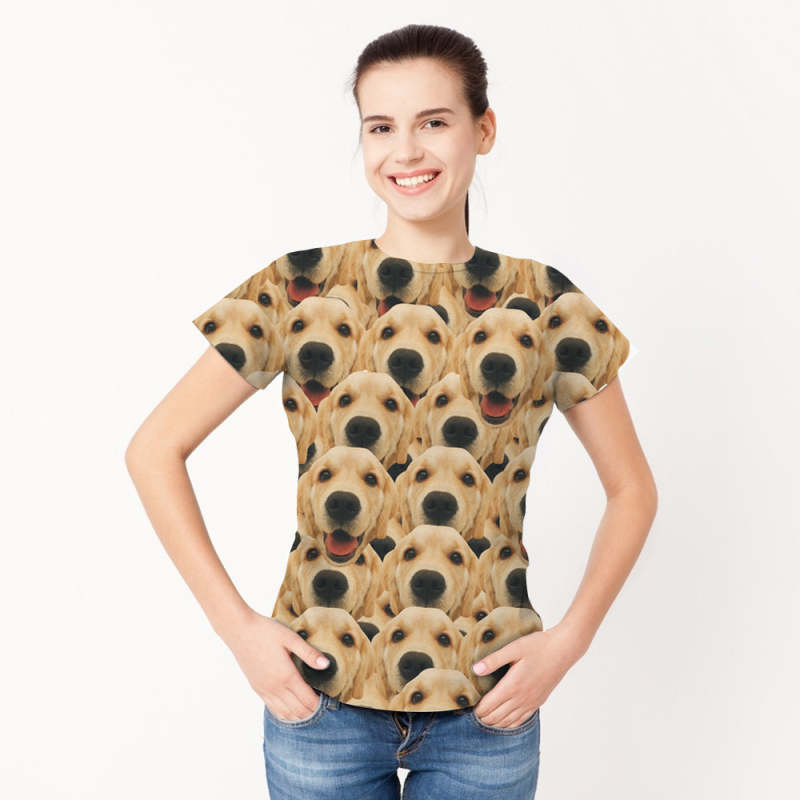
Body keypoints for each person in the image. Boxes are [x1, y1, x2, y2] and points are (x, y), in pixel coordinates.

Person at [125, 23, 657, 800]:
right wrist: (239, 632)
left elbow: (632, 490)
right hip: (320, 697)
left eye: (433, 122)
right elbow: (153, 450)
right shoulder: (299, 287)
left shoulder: (547, 303)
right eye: (380, 127)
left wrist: (568, 643)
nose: (405, 151)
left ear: (484, 129)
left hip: (489, 705)